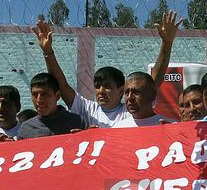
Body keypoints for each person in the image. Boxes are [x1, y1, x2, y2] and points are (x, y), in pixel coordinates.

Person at [33, 11, 181, 128]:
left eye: (108, 87)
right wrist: (48, 52)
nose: (101, 91)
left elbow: (154, 80)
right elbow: (62, 86)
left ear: (121, 91)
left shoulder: (131, 111)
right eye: (97, 87)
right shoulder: (87, 109)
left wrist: (167, 44)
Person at [17, 73, 86, 140]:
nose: (39, 100)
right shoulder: (26, 129)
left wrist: (84, 137)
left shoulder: (77, 122)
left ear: (57, 95)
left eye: (44, 94)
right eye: (34, 95)